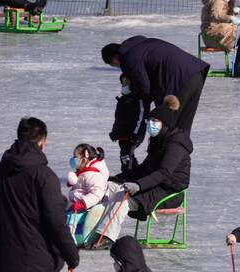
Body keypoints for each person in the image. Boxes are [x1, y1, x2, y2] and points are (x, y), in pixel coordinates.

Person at [87, 96, 192, 250]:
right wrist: (117, 178)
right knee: (108, 187)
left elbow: (164, 172)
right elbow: (144, 168)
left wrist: (138, 185)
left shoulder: (175, 145)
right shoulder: (158, 140)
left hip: (169, 191)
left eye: (155, 121)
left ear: (165, 124)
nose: (150, 124)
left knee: (123, 198)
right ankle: (88, 232)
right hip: (154, 184)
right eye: (149, 121)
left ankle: (106, 236)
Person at [0, 117, 79, 272]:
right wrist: (72, 256)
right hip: (37, 260)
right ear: (42, 143)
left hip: (2, 259)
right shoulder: (44, 176)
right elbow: (56, 222)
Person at [101, 36, 210, 133]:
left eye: (115, 65)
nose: (119, 67)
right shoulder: (141, 45)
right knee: (183, 124)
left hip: (178, 80)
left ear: (115, 58)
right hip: (195, 73)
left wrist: (131, 90)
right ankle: (181, 154)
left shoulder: (130, 57)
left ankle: (169, 154)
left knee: (167, 124)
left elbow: (144, 87)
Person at [109, 73, 150, 171]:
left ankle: (128, 174)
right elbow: (118, 118)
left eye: (126, 82)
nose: (124, 85)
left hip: (133, 134)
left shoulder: (139, 99)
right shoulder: (122, 100)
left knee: (126, 154)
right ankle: (134, 172)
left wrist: (136, 134)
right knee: (124, 154)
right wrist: (115, 132)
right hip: (123, 134)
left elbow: (141, 118)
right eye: (122, 83)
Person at [67, 143, 109, 212]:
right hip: (76, 206)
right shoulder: (84, 172)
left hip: (87, 210)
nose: (73, 160)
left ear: (84, 160)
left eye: (75, 157)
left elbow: (97, 194)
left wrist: (83, 203)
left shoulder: (94, 175)